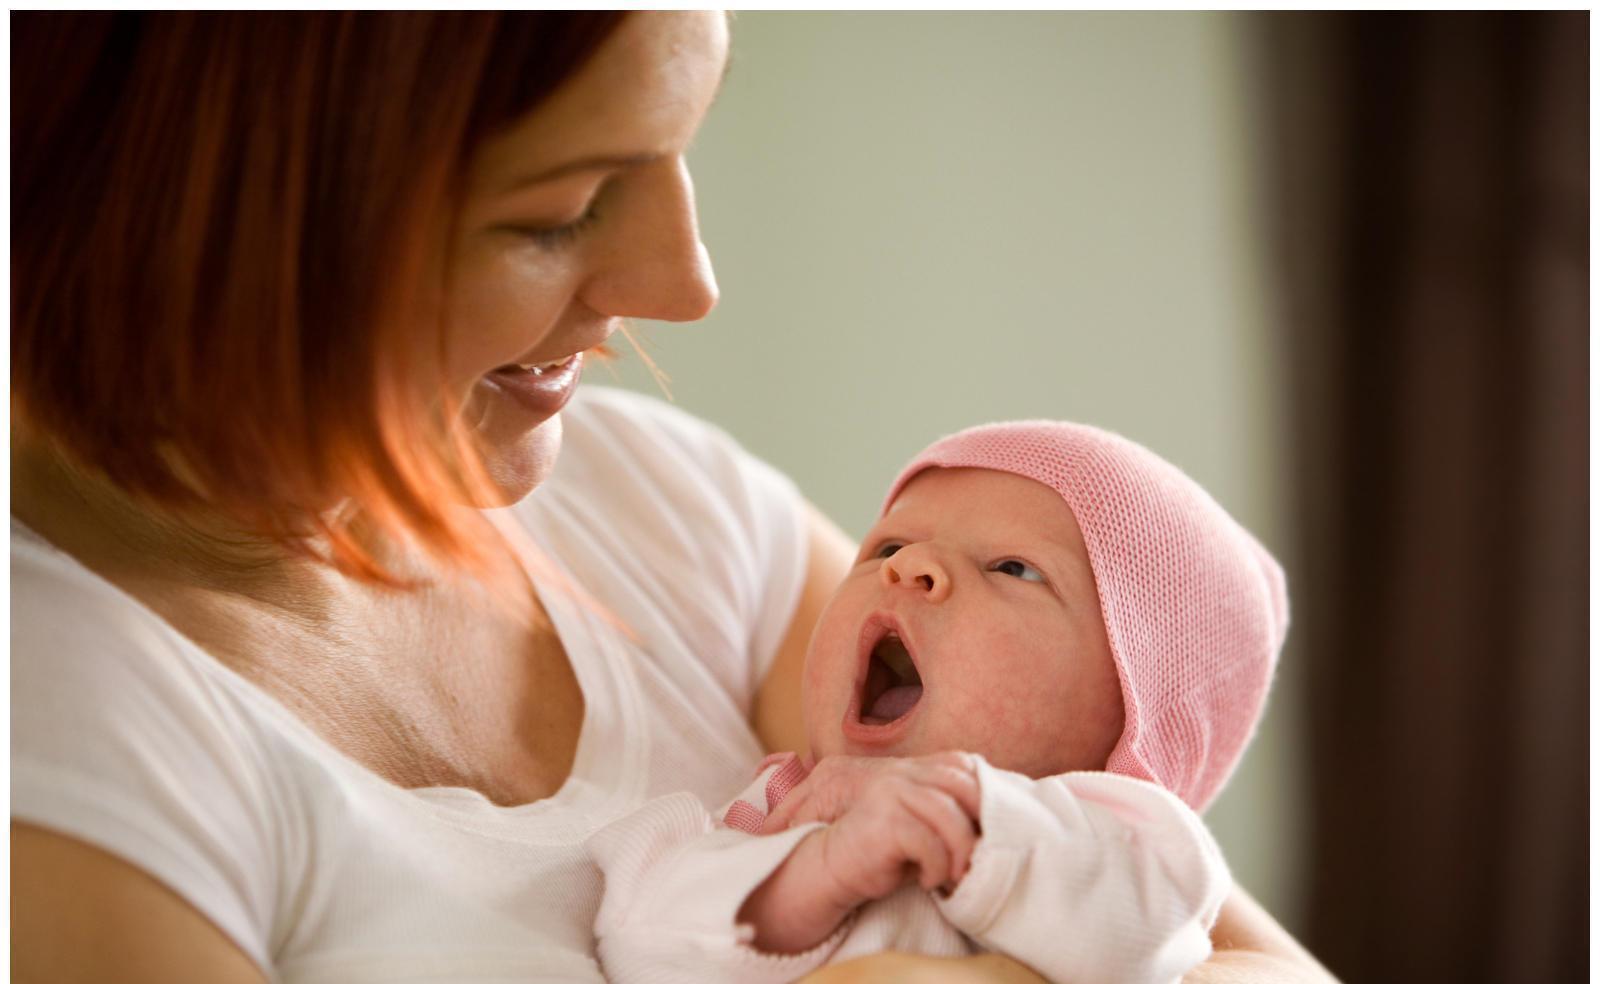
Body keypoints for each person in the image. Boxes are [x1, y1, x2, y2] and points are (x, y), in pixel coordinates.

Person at [11, 12, 1334, 983]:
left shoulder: (664, 504)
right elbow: (674, 916)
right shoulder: (74, 742)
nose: (687, 281)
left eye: (679, 148)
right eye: (563, 208)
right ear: (204, 217)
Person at [588, 420, 1285, 983]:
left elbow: (1143, 944)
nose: (908, 565)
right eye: (888, 544)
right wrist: (810, 878)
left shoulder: (1132, 844)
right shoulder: (778, 814)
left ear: (1132, 715)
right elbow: (642, 949)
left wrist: (971, 819)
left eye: (1012, 568)